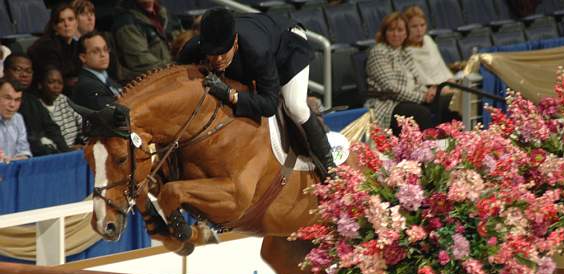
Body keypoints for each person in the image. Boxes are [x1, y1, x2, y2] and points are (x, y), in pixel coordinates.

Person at [177, 8, 335, 179]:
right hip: (258, 32)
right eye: (212, 54)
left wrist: (230, 94)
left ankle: (331, 168)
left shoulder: (257, 51)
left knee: (295, 106)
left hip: (286, 45)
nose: (217, 60)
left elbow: (269, 105)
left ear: (235, 40)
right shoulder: (195, 48)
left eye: (223, 52)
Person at [365, 12, 459, 133]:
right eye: (391, 30)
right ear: (384, 33)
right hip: (389, 103)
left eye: (400, 30)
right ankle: (428, 148)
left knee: (450, 102)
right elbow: (391, 88)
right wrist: (422, 97)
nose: (396, 34)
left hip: (411, 99)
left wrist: (427, 93)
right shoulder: (379, 52)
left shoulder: (404, 52)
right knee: (419, 112)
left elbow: (418, 81)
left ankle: (450, 144)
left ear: (406, 34)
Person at [4, 53, 70, 156]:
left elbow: (52, 129)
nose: (24, 75)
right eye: (17, 69)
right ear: (5, 71)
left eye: (28, 71)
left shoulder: (32, 100)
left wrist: (66, 153)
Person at [112, 0, 182, 82]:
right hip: (151, 84)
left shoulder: (166, 14)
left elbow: (185, 42)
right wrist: (177, 65)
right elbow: (141, 63)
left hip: (176, 76)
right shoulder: (126, 23)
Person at [27, 3, 81, 95]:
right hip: (45, 95)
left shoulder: (76, 45)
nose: (66, 24)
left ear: (76, 23)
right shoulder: (45, 46)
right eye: (61, 20)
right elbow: (53, 80)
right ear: (54, 26)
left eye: (70, 19)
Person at [403, 6, 454, 87]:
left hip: (445, 85)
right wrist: (437, 88)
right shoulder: (404, 50)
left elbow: (441, 66)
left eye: (422, 25)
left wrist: (450, 80)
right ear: (406, 28)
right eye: (414, 26)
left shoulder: (428, 40)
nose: (419, 30)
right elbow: (420, 80)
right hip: (428, 91)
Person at [72, 31, 122, 110]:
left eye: (105, 49)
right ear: (83, 57)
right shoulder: (86, 86)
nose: (103, 54)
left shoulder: (108, 78)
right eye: (96, 51)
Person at [37, 66, 83, 147]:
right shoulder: (35, 107)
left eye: (60, 83)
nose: (56, 86)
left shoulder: (64, 100)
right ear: (40, 85)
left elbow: (82, 125)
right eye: (51, 82)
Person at [0, 78, 32, 162]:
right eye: (7, 98)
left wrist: (12, 160)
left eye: (17, 100)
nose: (12, 105)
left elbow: (24, 152)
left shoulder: (18, 119)